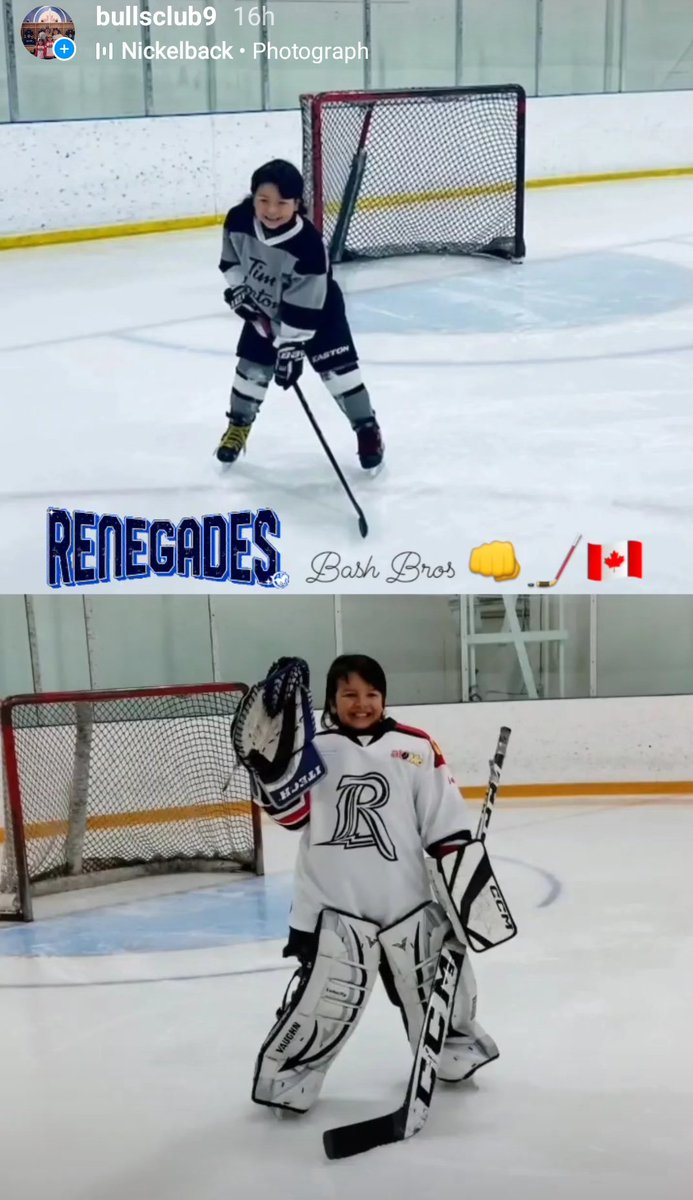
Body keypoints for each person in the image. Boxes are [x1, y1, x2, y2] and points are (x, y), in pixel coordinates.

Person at [240, 654, 499, 1114]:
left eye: (371, 695)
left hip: (405, 905)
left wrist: (464, 896)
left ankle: (452, 1054)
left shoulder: (416, 747)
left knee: (434, 993)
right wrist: (269, 771)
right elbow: (293, 816)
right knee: (321, 1003)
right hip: (330, 908)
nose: (361, 704)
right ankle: (289, 1079)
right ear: (332, 700)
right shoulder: (313, 747)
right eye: (349, 695)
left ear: (384, 698)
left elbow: (445, 827)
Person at [216, 159, 384, 471]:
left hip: (318, 313)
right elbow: (231, 261)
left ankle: (367, 429)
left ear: (297, 203)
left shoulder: (308, 244)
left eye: (282, 203)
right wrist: (240, 291)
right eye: (263, 200)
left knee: (340, 375)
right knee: (251, 371)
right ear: (252, 197)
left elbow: (307, 302)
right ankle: (238, 425)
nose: (271, 210)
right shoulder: (238, 220)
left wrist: (290, 346)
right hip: (265, 309)